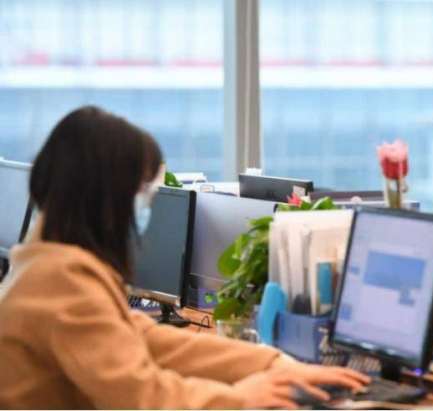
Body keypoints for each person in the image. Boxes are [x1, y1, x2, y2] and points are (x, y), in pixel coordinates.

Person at [0, 106, 369, 409]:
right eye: (143, 194)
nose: (145, 207)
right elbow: (144, 397)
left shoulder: (46, 264)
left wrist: (273, 363)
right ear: (107, 200)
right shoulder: (62, 283)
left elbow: (145, 338)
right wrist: (241, 398)